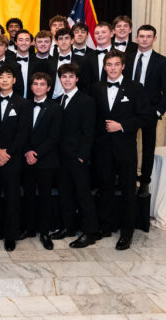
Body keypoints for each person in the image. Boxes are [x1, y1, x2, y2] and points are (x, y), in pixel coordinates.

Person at [91, 50, 151, 250]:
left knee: (127, 190)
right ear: (104, 67)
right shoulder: (97, 88)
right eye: (109, 65)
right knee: (105, 188)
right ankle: (105, 226)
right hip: (103, 148)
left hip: (125, 148)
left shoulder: (135, 88)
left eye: (117, 64)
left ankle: (127, 232)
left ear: (123, 66)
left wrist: (122, 126)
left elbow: (145, 116)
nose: (113, 68)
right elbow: (95, 118)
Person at [123, 25, 166, 197]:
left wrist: (158, 111)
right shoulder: (127, 59)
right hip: (129, 110)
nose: (144, 39)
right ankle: (128, 177)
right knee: (128, 146)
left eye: (148, 36)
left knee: (148, 146)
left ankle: (144, 181)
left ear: (154, 39)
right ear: (136, 38)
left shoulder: (162, 61)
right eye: (141, 36)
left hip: (150, 111)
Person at [52, 63, 99, 248]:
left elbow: (89, 132)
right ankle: (68, 227)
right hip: (61, 157)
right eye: (64, 77)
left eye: (71, 77)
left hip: (77, 157)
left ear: (77, 79)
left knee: (83, 195)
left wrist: (82, 156)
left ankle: (90, 232)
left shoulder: (86, 101)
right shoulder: (57, 100)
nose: (67, 80)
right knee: (65, 194)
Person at [0, 65, 30, 251]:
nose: (4, 80)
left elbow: (23, 133)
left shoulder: (22, 103)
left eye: (8, 77)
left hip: (12, 159)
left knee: (12, 197)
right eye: (1, 77)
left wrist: (7, 153)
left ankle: (10, 235)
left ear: (14, 80)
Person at [22, 72, 62, 250]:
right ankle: (29, 228)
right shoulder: (25, 105)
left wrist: (35, 153)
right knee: (28, 195)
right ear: (31, 87)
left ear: (49, 88)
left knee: (45, 197)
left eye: (42, 84)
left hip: (46, 160)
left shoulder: (55, 108)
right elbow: (20, 133)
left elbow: (54, 137)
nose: (38, 87)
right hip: (26, 159)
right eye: (35, 84)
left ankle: (45, 232)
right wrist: (26, 152)